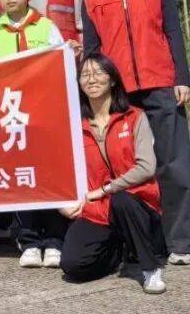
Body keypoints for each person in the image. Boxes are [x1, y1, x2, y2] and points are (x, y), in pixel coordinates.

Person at [83, 0, 190, 264]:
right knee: (128, 168)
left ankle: (180, 242)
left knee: (174, 164)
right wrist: (95, 90)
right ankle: (138, 241)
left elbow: (173, 32)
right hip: (120, 93)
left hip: (161, 85)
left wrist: (182, 78)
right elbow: (92, 49)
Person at [61, 54, 167, 294]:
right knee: (73, 265)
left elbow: (146, 168)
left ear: (112, 80)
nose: (91, 79)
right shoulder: (75, 125)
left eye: (98, 73)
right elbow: (62, 170)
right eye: (85, 75)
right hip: (98, 210)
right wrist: (63, 204)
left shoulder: (135, 116)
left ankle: (150, 270)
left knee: (121, 200)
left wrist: (106, 189)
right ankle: (118, 252)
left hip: (136, 203)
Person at [0, 0, 67, 268]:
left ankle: (55, 239)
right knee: (21, 176)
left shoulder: (47, 27)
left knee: (50, 176)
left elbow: (60, 67)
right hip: (10, 117)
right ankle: (29, 239)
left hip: (45, 114)